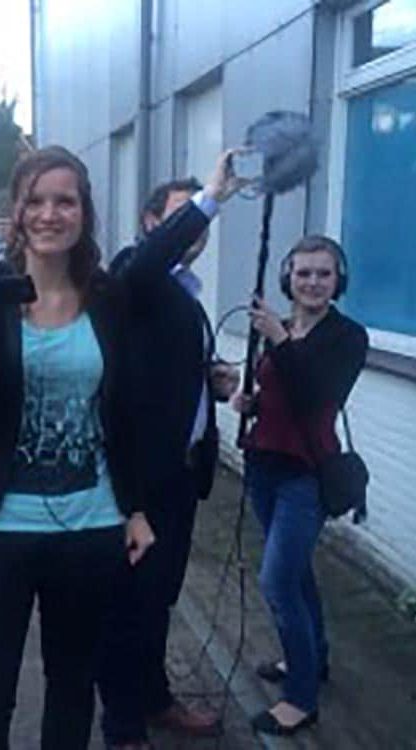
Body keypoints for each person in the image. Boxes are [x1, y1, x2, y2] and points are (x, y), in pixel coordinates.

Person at [0, 146, 241, 749]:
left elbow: (121, 416)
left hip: (89, 528)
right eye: (36, 200)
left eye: (65, 201)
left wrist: (134, 509)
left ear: (84, 213)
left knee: (73, 689)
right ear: (16, 211)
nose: (50, 214)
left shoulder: (108, 297)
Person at [98, 178, 241, 748]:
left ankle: (155, 700)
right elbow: (143, 267)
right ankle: (122, 727)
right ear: (151, 222)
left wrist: (212, 381)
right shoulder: (133, 272)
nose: (196, 229)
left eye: (198, 220)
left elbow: (163, 369)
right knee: (129, 605)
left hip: (181, 476)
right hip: (141, 480)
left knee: (160, 599)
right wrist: (211, 197)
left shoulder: (185, 292)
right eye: (181, 216)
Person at [233, 235, 368, 736]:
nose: (312, 282)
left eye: (323, 273)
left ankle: (301, 698)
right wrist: (249, 400)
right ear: (288, 277)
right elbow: (280, 390)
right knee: (296, 574)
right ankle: (314, 657)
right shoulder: (284, 329)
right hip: (263, 466)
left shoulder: (347, 337)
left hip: (305, 474)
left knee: (277, 582)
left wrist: (280, 340)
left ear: (339, 281)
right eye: (304, 272)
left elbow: (317, 394)